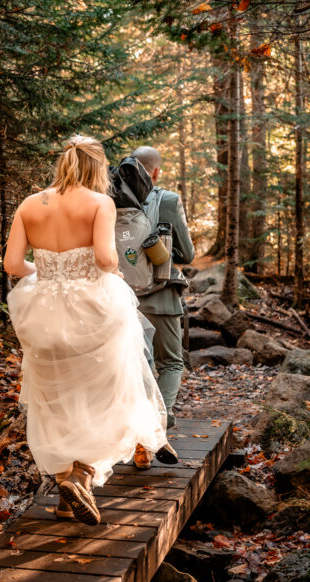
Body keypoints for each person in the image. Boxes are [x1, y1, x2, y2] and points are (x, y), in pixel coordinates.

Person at [3, 135, 170, 526]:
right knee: (102, 394)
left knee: (56, 396)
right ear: (97, 167)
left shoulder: (29, 205)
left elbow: (12, 264)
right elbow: (106, 259)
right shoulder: (100, 203)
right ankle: (81, 475)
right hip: (91, 311)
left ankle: (66, 491)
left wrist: (45, 273)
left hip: (42, 312)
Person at [130, 146, 195, 435]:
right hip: (161, 294)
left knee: (138, 364)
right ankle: (160, 418)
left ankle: (138, 424)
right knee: (171, 362)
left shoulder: (110, 201)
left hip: (124, 298)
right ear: (156, 171)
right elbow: (187, 254)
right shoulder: (168, 199)